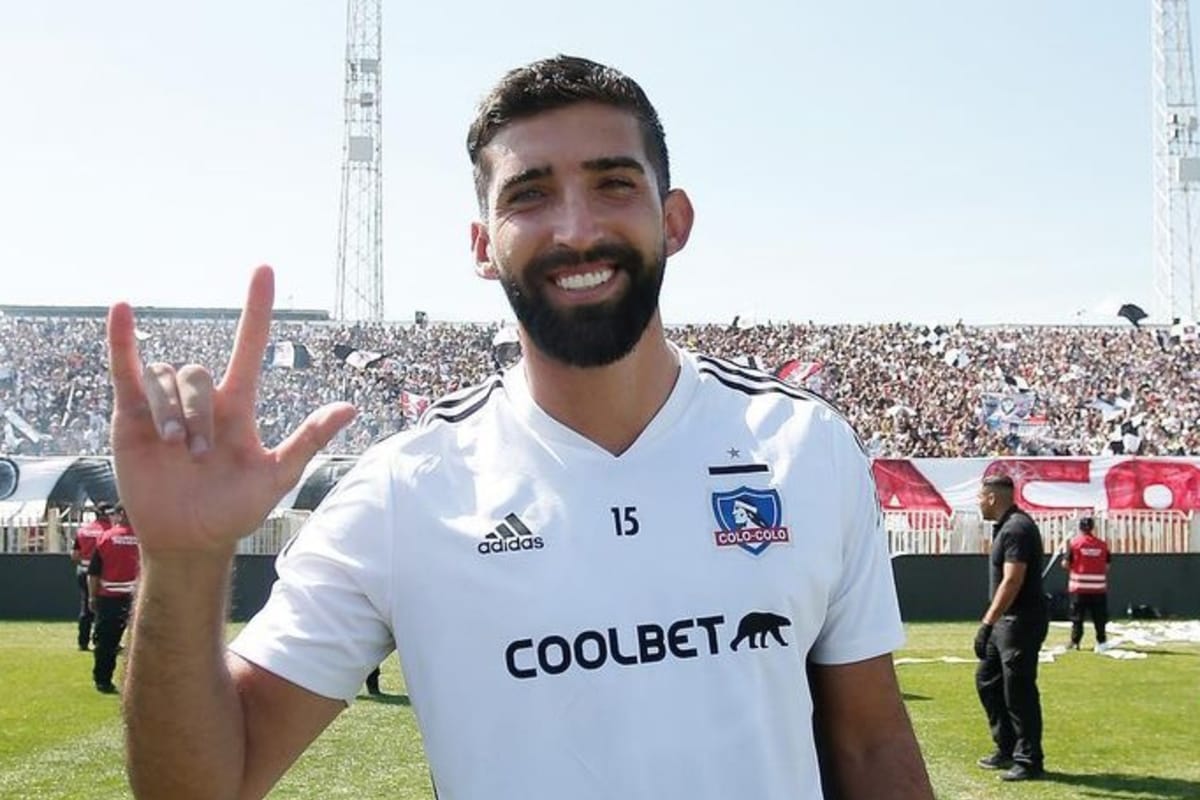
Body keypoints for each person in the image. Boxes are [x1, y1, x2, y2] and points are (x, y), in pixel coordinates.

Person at [108, 55, 933, 799]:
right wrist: (183, 563)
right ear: (482, 244)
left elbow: (870, 743)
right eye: (529, 194)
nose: (575, 229)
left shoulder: (803, 447)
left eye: (613, 183)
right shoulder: (406, 489)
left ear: (673, 220)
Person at [973, 473, 1049, 782]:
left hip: (1020, 622)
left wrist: (987, 622)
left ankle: (1029, 760)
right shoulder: (1005, 527)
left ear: (992, 497)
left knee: (1018, 690)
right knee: (987, 680)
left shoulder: (1017, 528)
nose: (978, 502)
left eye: (980, 496)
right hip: (1005, 622)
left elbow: (1013, 579)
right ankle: (1005, 746)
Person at [88, 505, 140, 693]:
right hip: (139, 598)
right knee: (142, 644)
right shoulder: (145, 539)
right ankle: (139, 684)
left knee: (106, 643)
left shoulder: (106, 538)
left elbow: (94, 572)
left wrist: (92, 597)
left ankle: (103, 680)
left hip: (110, 598)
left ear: (121, 514)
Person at [1061, 516, 1111, 651]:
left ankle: (1075, 642)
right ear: (1093, 527)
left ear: (1080, 528)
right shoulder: (1102, 545)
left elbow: (1065, 564)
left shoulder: (1075, 544)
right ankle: (1102, 642)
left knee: (1077, 617)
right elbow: (1107, 566)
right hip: (1098, 588)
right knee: (1099, 618)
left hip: (1079, 588)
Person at [70, 502, 112, 651]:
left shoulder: (83, 531)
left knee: (85, 607)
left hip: (83, 571)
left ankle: (83, 641)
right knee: (103, 609)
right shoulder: (109, 532)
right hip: (101, 574)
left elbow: (74, 556)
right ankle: (100, 641)